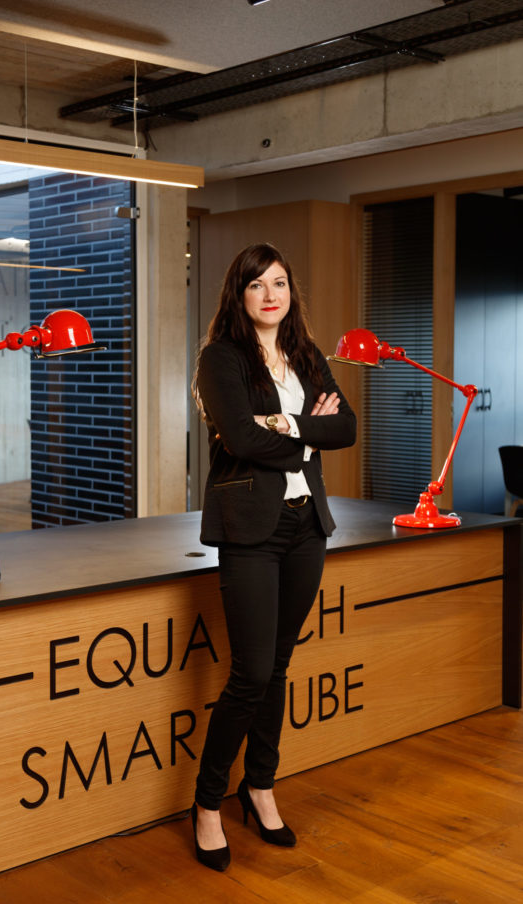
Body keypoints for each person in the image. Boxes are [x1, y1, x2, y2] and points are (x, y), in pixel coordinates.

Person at [190, 242, 356, 871]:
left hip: (306, 525)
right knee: (252, 672)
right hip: (251, 528)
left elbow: (346, 427)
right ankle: (208, 802)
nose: (270, 294)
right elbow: (239, 437)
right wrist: (307, 433)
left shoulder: (306, 354)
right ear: (240, 294)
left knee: (280, 666)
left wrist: (285, 426)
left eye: (279, 283)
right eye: (257, 284)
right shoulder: (221, 358)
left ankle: (259, 785)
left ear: (291, 293)